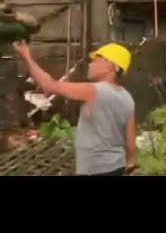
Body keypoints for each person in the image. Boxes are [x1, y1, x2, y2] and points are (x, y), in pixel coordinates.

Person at [13, 41, 136, 176]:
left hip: (95, 169)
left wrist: (26, 56)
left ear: (111, 66)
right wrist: (130, 162)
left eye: (96, 61)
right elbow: (130, 137)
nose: (90, 64)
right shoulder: (126, 97)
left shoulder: (93, 91)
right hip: (116, 166)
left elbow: (48, 85)